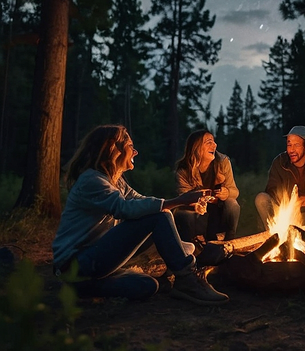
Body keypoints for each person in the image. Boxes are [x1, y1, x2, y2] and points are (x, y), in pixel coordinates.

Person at [52, 125, 229, 305]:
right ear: (114, 149)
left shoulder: (115, 181)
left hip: (93, 261)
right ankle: (187, 279)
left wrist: (180, 204)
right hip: (76, 263)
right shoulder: (92, 180)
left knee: (147, 286)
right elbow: (123, 208)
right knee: (159, 216)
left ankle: (80, 288)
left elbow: (139, 200)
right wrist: (177, 201)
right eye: (130, 146)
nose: (135, 152)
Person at [174, 129, 240, 243]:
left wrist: (227, 192)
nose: (215, 145)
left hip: (219, 213)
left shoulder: (222, 162)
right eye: (209, 142)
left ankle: (230, 241)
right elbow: (183, 198)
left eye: (214, 141)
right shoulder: (184, 170)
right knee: (182, 214)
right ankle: (190, 248)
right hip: (198, 216)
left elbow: (235, 191)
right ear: (196, 147)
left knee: (232, 204)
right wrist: (198, 202)